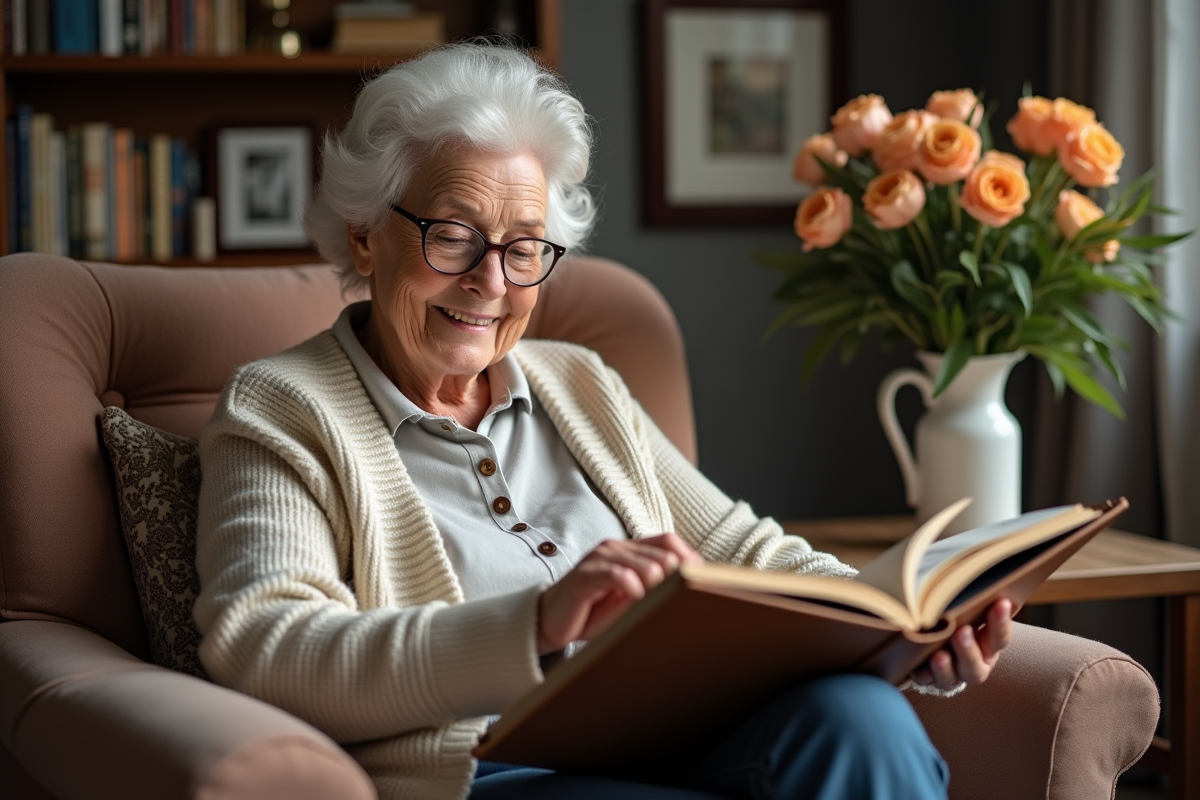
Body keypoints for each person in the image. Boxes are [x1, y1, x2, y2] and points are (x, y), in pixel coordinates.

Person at [194, 43, 1012, 800]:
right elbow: (268, 649)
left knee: (862, 717)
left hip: (677, 730)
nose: (490, 281)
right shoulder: (284, 407)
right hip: (488, 772)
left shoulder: (577, 382)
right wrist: (536, 626)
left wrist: (899, 631)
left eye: (524, 248)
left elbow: (742, 551)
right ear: (366, 236)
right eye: (453, 236)